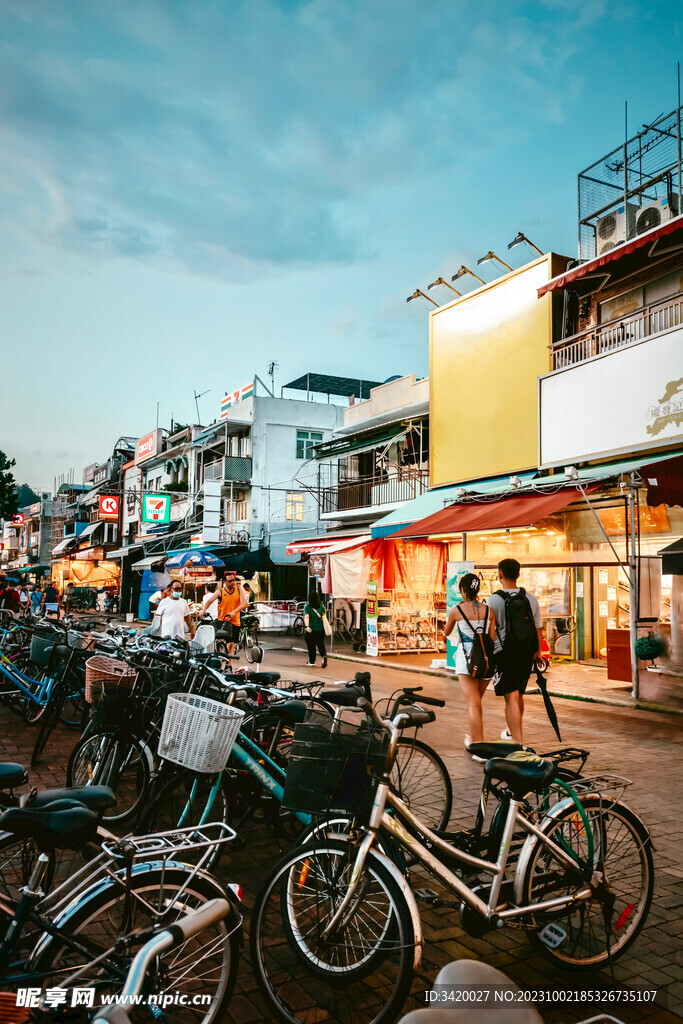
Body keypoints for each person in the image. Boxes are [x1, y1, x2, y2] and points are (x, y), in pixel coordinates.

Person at [486, 558, 543, 746]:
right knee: (518, 694)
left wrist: (489, 655)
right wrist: (538, 652)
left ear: (499, 574)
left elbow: (490, 630)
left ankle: (517, 742)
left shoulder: (494, 599)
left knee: (510, 697)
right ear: (518, 574)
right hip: (525, 653)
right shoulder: (530, 598)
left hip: (504, 653)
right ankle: (512, 732)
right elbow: (538, 628)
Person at [444, 573, 496, 755]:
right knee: (475, 702)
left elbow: (446, 632)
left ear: (463, 590)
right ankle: (473, 740)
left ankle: (479, 748)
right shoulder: (489, 611)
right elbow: (492, 637)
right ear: (477, 590)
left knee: (473, 704)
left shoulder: (456, 611)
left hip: (467, 659)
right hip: (487, 661)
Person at [216, 573, 249, 654]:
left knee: (231, 644)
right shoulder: (220, 591)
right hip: (223, 621)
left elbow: (244, 604)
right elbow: (209, 601)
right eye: (230, 581)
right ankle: (221, 661)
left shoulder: (239, 590)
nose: (233, 583)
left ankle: (229, 664)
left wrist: (234, 612)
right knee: (223, 643)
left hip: (235, 621)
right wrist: (204, 610)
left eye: (233, 580)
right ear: (225, 582)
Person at [303, 589, 328, 668]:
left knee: (311, 646)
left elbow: (307, 617)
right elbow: (325, 617)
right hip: (321, 629)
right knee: (320, 644)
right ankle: (323, 655)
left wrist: (307, 626)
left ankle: (312, 661)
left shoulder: (307, 606)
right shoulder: (322, 606)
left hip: (311, 629)